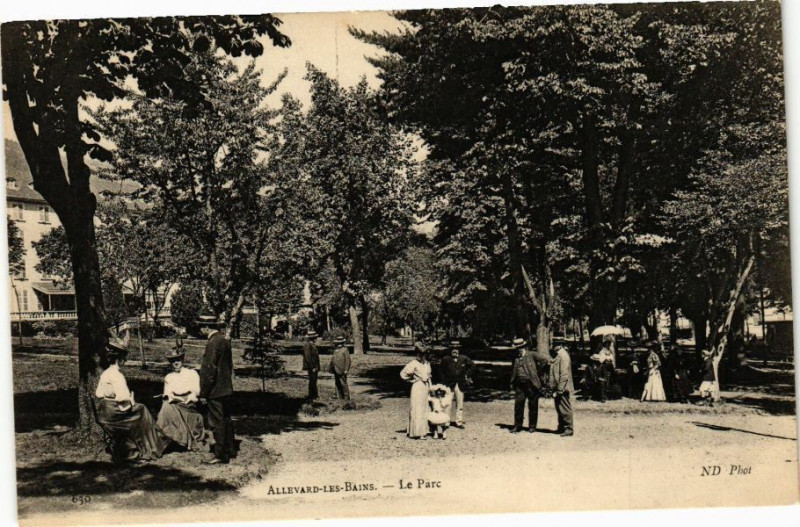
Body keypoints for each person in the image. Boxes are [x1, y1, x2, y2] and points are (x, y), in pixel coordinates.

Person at [95, 339, 164, 463]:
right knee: (142, 410)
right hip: (116, 411)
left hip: (105, 409)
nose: (124, 362)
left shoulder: (105, 373)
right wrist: (131, 400)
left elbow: (98, 393)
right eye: (124, 359)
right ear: (119, 360)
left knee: (140, 409)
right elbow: (123, 398)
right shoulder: (117, 375)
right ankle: (153, 445)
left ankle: (148, 444)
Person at [199, 316, 236, 464]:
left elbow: (209, 370)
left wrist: (203, 392)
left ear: (206, 327)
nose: (199, 330)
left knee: (216, 422)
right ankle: (230, 449)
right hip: (226, 388)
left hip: (215, 390)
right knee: (227, 420)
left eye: (200, 326)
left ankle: (220, 455)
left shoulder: (213, 342)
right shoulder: (224, 340)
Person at [157, 344, 205, 451]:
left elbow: (196, 391)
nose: (176, 363)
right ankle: (162, 439)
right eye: (173, 361)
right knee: (166, 407)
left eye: (178, 360)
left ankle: (163, 440)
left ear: (182, 360)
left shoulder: (191, 373)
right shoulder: (169, 377)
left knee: (166, 409)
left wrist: (186, 399)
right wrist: (173, 398)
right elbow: (167, 393)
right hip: (174, 402)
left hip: (188, 403)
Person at [438, 340, 474, 428]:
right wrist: (443, 383)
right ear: (450, 349)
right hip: (448, 385)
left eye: (456, 349)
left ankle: (459, 422)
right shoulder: (446, 359)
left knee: (460, 404)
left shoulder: (464, 358)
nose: (455, 350)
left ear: (459, 349)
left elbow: (472, 365)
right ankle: (446, 422)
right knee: (447, 404)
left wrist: (467, 375)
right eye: (453, 349)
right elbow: (440, 371)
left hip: (460, 384)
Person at [509, 337, 541, 434]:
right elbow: (513, 370)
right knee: (518, 405)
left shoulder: (531, 355)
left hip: (531, 384)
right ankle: (517, 426)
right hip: (519, 385)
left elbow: (544, 360)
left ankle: (532, 427)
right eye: (517, 348)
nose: (519, 349)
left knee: (533, 406)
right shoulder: (515, 357)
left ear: (524, 347)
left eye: (520, 347)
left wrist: (536, 372)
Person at [400, 344, 432, 439]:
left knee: (425, 407)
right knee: (417, 408)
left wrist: (431, 387)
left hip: (426, 387)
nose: (422, 356)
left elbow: (429, 376)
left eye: (424, 354)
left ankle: (425, 430)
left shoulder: (427, 364)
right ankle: (417, 432)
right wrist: (412, 380)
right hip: (417, 387)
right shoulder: (413, 363)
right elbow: (403, 374)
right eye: (420, 354)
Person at [549, 345, 574, 437]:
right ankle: (562, 427)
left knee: (564, 407)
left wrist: (560, 388)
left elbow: (564, 374)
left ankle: (568, 428)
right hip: (558, 386)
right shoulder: (558, 354)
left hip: (563, 387)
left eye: (555, 344)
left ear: (559, 346)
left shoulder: (563, 356)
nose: (552, 347)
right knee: (559, 407)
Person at [302, 330, 320, 400]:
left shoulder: (312, 344)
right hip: (312, 367)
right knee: (312, 380)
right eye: (315, 337)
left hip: (315, 366)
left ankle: (314, 395)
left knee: (314, 380)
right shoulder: (307, 345)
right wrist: (312, 367)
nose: (316, 339)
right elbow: (307, 357)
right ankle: (312, 395)